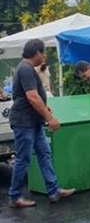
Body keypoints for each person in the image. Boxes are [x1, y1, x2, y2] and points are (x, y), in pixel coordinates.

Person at [8, 39, 75, 208]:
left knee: (45, 154)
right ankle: (15, 196)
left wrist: (44, 109)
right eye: (43, 52)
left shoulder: (27, 68)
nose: (44, 56)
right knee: (23, 159)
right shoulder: (25, 69)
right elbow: (32, 97)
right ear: (37, 53)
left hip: (33, 122)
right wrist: (49, 118)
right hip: (24, 123)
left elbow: (33, 97)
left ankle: (54, 191)